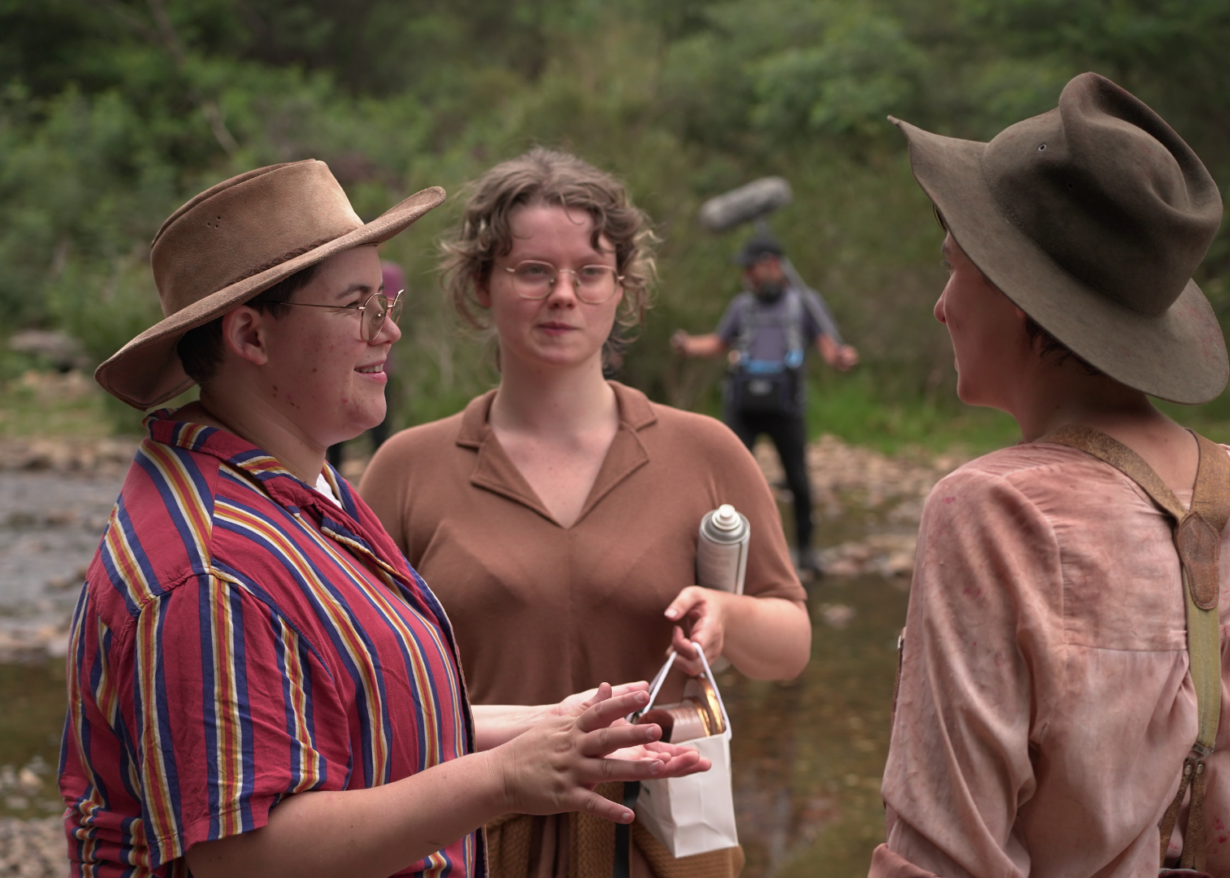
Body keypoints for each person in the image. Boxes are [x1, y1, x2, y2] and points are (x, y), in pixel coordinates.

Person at [61, 160, 707, 878]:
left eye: (386, 304)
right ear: (250, 335)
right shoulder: (211, 572)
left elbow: (370, 723)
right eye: (357, 305)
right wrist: (501, 780)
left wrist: (556, 728)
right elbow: (245, 854)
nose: (386, 333)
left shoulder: (299, 488)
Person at [871, 73, 1230, 877]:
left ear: (1022, 300)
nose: (942, 307)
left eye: (955, 267)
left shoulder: (991, 515)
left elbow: (944, 856)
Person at [360, 148, 811, 878]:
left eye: (590, 272)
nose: (563, 294)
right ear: (482, 284)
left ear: (623, 289)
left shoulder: (707, 452)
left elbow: (790, 644)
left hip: (661, 845)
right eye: (533, 271)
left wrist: (731, 616)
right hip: (470, 846)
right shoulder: (406, 470)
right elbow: (365, 689)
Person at [671, 234, 858, 577]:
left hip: (786, 407)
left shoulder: (803, 303)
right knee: (728, 477)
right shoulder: (743, 306)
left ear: (772, 264)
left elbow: (829, 348)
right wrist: (687, 346)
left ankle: (806, 552)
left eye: (751, 267)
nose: (748, 276)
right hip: (743, 407)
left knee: (798, 481)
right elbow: (716, 342)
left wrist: (841, 359)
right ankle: (720, 550)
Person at [326, 260, 405, 471]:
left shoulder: (389, 272)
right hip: (362, 363)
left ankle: (384, 474)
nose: (393, 332)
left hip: (379, 367)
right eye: (353, 305)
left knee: (379, 428)